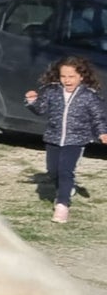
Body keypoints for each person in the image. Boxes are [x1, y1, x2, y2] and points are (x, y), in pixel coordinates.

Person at [24, 57, 107, 224]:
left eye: (71, 77)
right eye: (64, 77)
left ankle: (62, 204)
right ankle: (68, 189)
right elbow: (40, 109)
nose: (67, 80)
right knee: (53, 171)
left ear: (81, 77)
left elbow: (98, 117)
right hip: (53, 138)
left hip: (76, 140)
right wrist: (32, 101)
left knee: (65, 171)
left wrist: (102, 132)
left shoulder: (89, 96)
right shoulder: (51, 91)